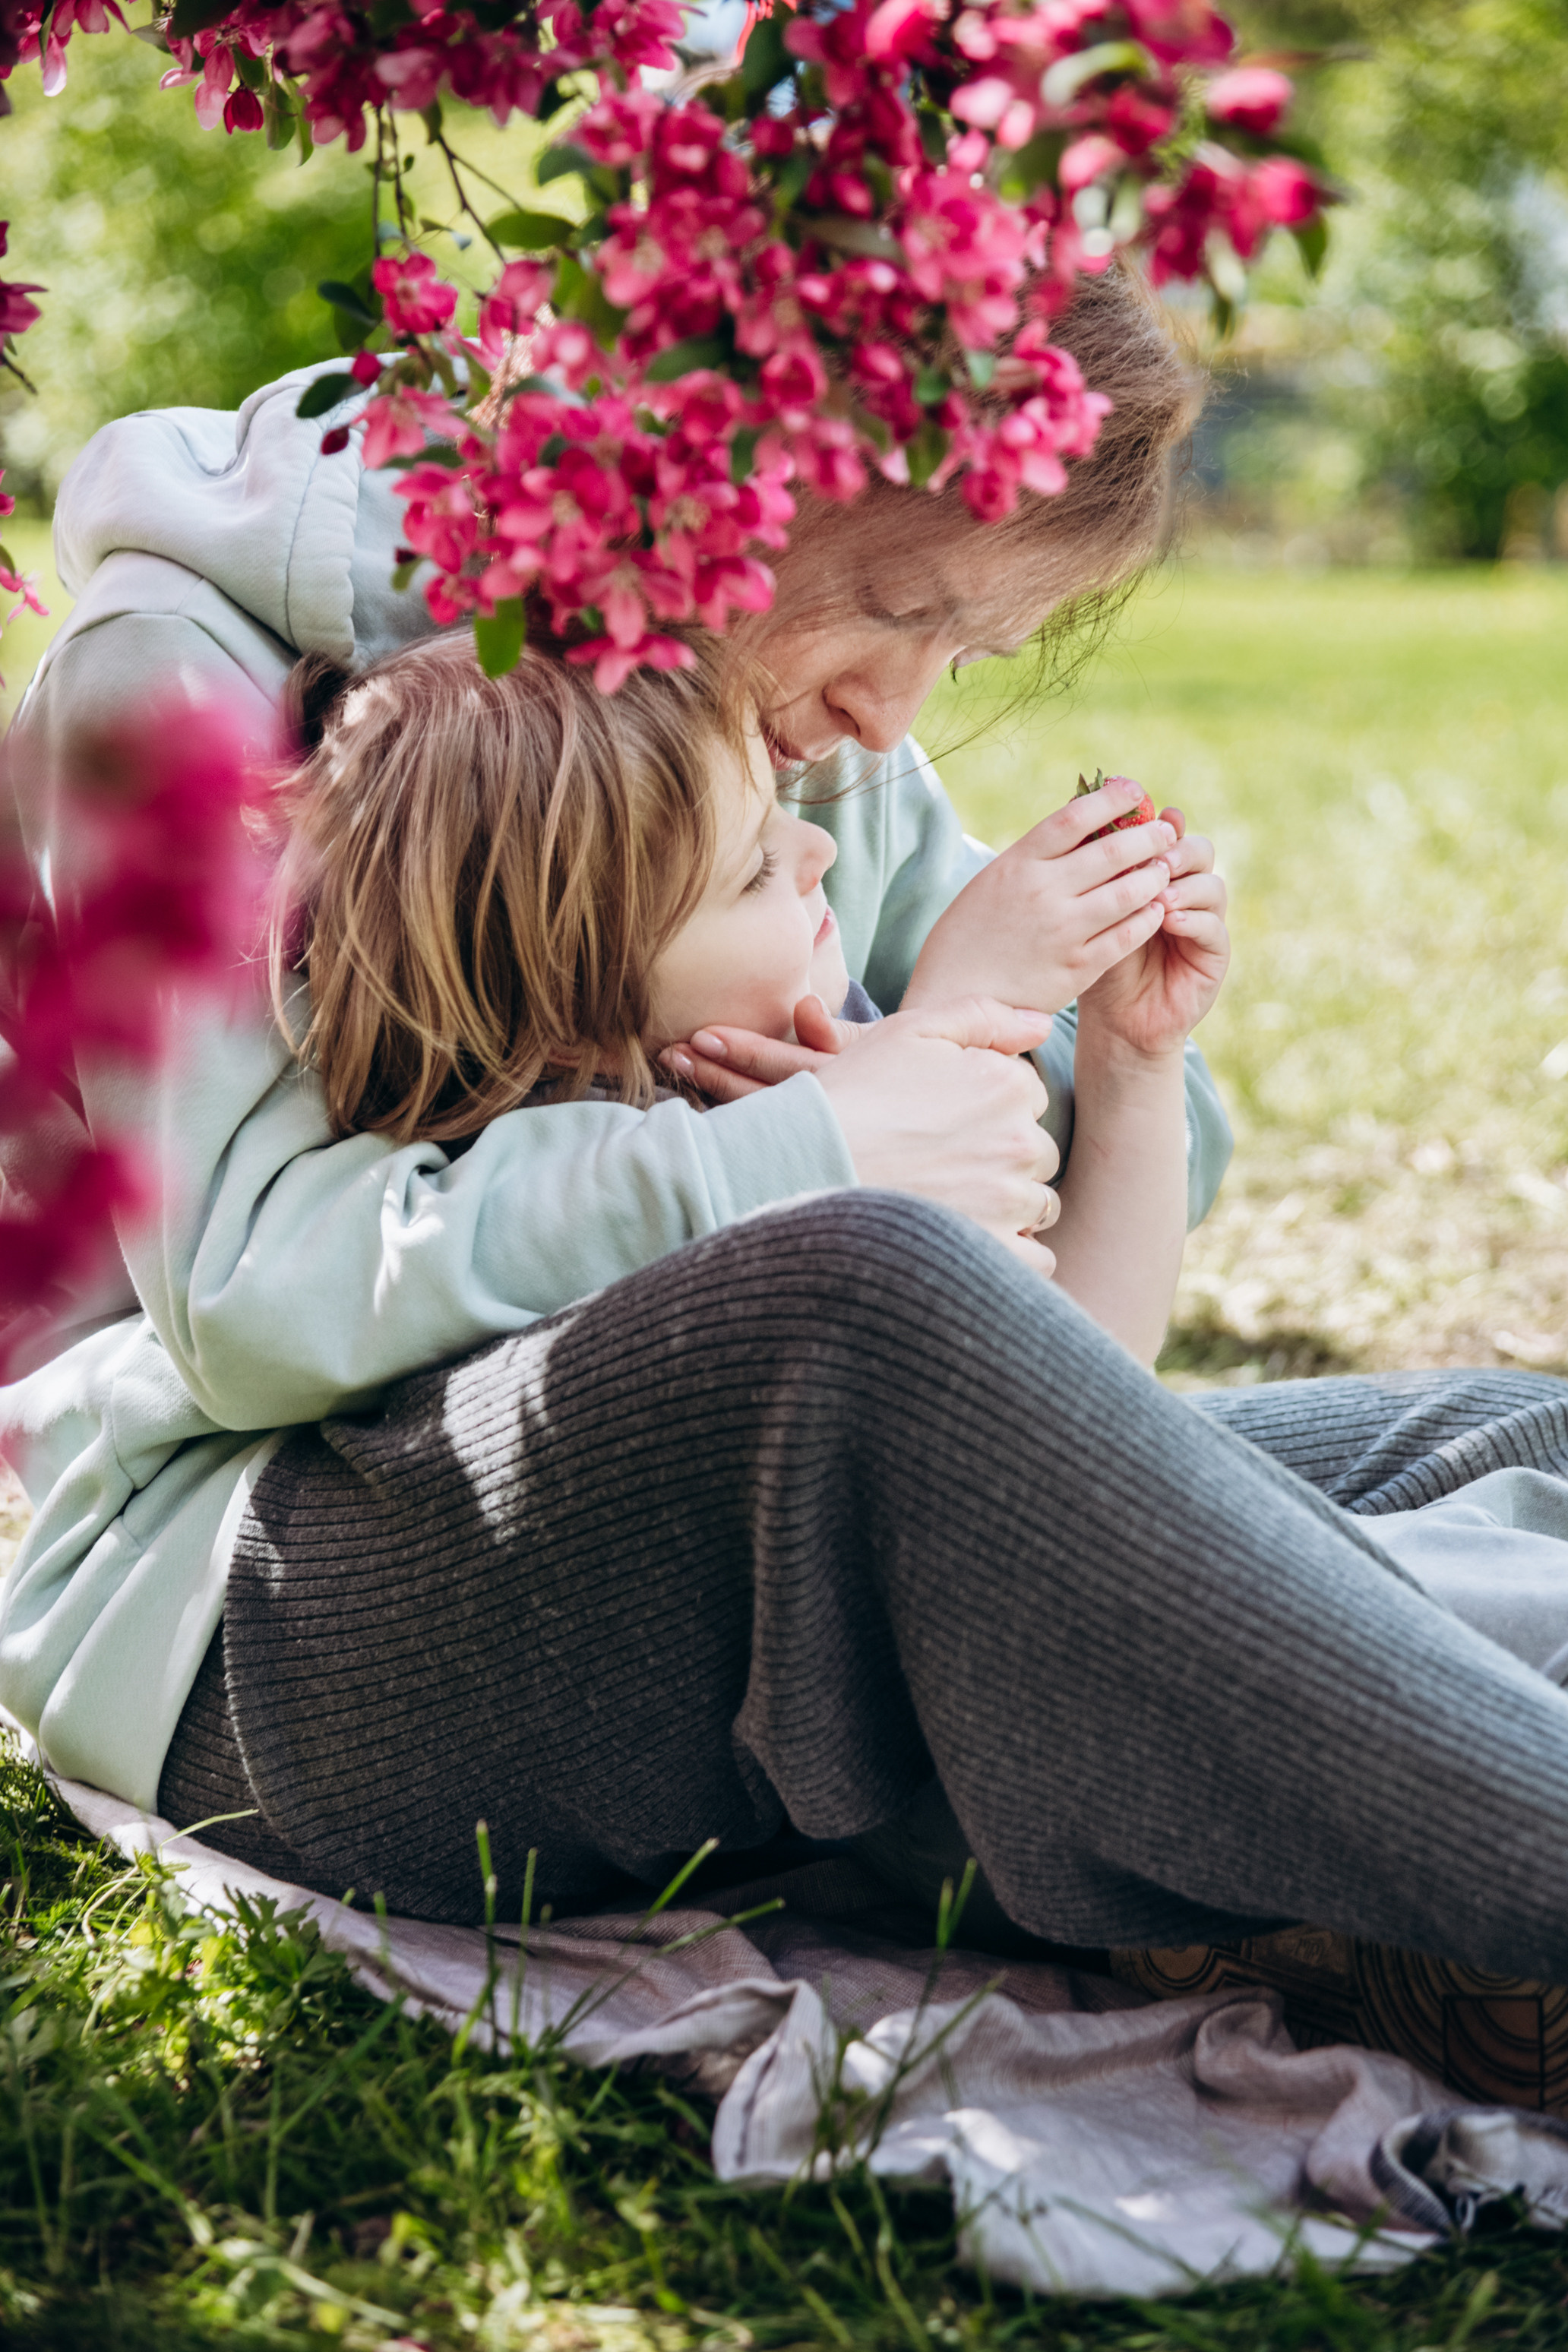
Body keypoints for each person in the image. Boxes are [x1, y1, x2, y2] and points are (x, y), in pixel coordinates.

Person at [8, 269, 1568, 1981]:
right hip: (258, 1610)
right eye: (896, 608)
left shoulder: (773, 701)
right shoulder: (177, 686)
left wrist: (1002, 1055)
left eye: (967, 652)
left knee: (1507, 1443)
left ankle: (1337, 1892)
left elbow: (1066, 1277)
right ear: (736, 464)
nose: (894, 720)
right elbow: (242, 1301)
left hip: (700, 1541)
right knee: (857, 1295)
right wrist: (812, 1139)